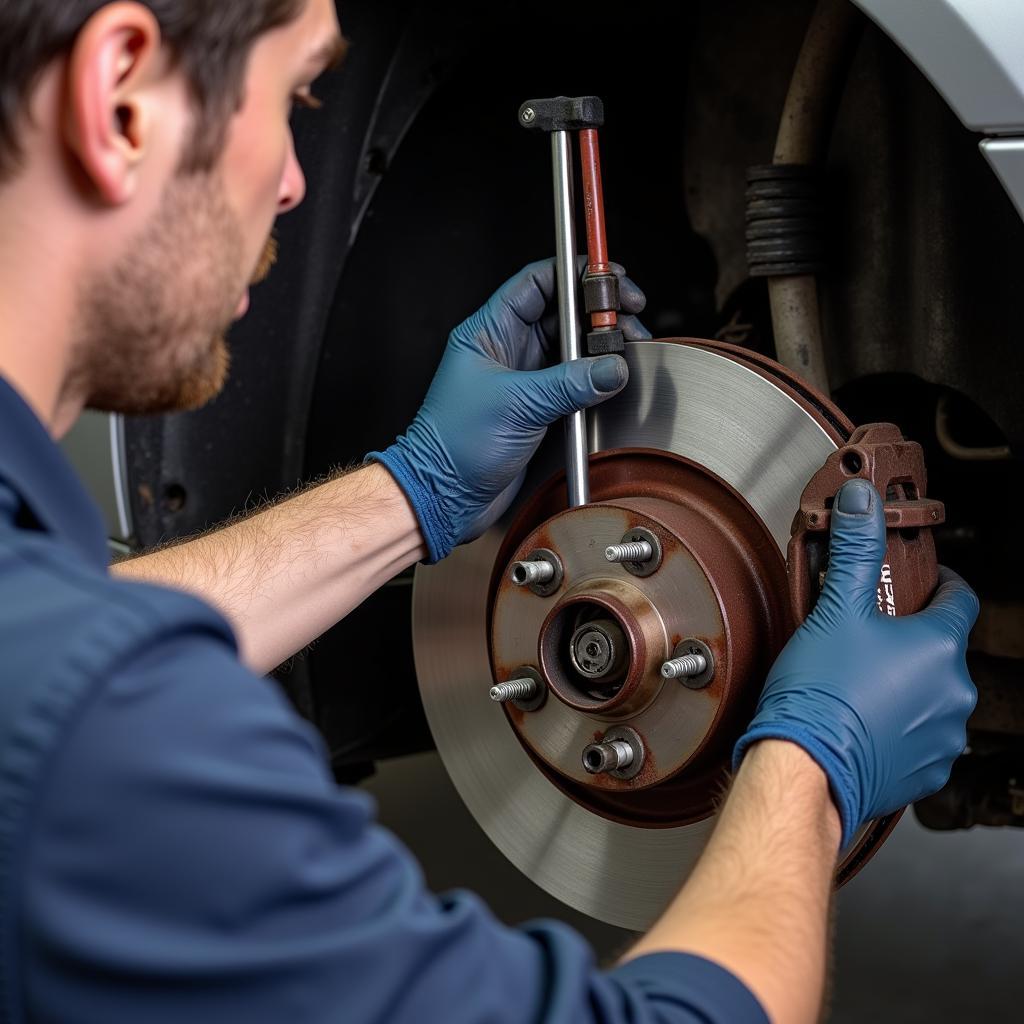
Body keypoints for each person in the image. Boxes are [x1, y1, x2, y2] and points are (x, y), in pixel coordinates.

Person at [0, 1, 978, 1022]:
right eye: (293, 98)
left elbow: (75, 643)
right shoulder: (120, 756)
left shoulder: (49, 660)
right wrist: (812, 765)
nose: (293, 181)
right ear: (120, 100)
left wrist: (413, 488)